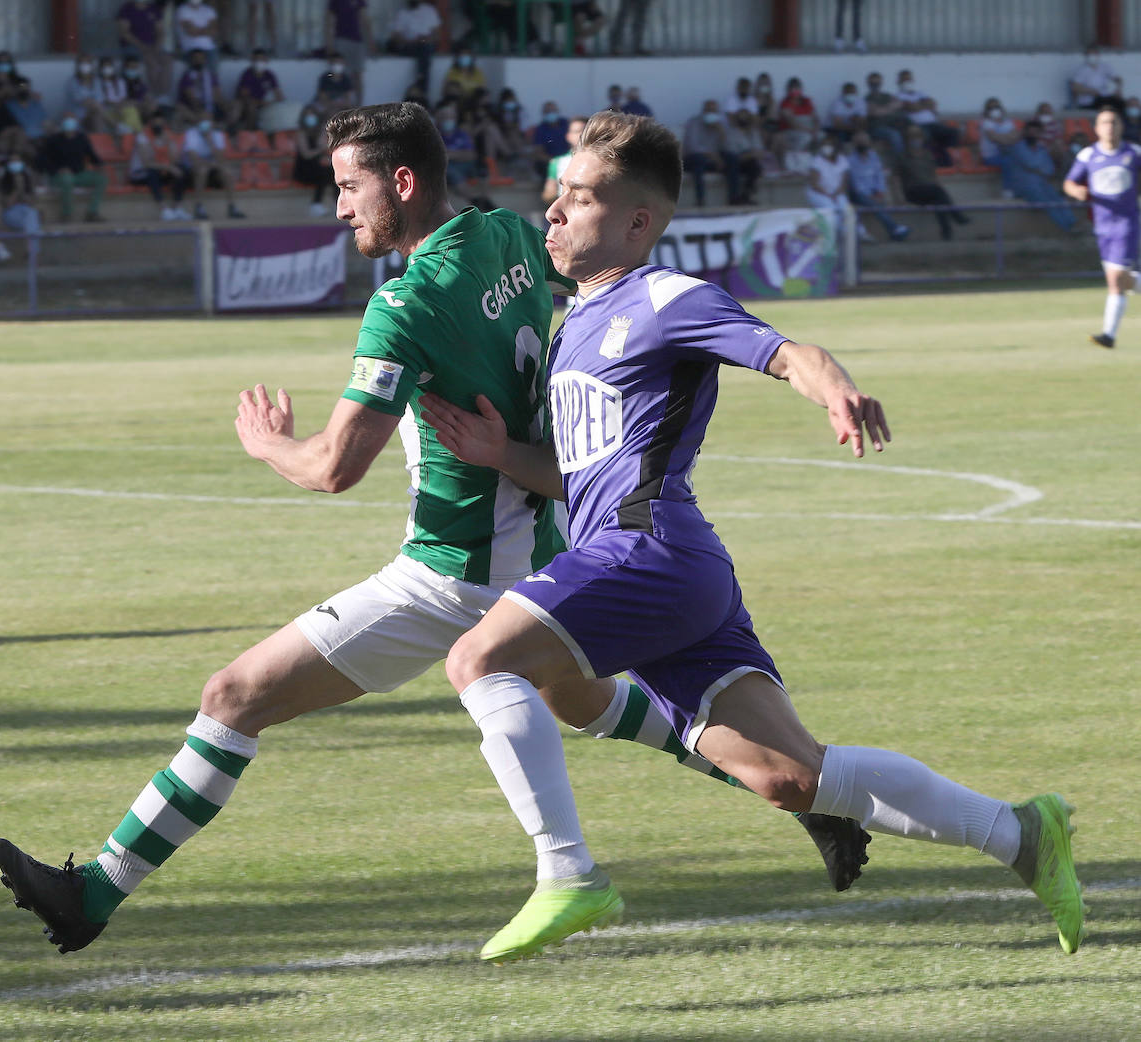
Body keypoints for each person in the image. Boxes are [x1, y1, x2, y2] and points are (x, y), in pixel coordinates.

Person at [0, 101, 870, 962]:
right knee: (585, 698)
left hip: (453, 571)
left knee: (234, 697)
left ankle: (94, 893)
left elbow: (334, 465)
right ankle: (803, 795)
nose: (338, 207)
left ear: (401, 182)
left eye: (348, 187)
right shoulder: (511, 237)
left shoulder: (405, 305)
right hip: (548, 544)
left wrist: (267, 445)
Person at [422, 109, 1086, 964]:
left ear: (636, 221)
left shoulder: (663, 296)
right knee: (790, 777)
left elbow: (786, 350)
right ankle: (1024, 834)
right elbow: (579, 474)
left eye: (577, 199)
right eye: (554, 195)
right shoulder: (573, 326)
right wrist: (501, 452)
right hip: (662, 565)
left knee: (480, 660)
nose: (551, 212)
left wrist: (836, 390)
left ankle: (568, 874)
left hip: (645, 550)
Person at [1063, 107, 1140, 349]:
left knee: (1116, 279)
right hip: (1103, 227)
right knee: (1120, 281)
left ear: (1122, 127)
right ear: (1096, 129)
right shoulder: (1088, 156)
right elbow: (1069, 182)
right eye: (1105, 123)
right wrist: (1076, 191)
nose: (1110, 127)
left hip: (1127, 224)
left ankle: (1108, 336)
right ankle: (1108, 335)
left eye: (1114, 122)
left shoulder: (1134, 153)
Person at [894, 123, 970, 240]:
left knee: (939, 199)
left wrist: (939, 188)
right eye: (912, 136)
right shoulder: (902, 156)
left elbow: (933, 175)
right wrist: (898, 198)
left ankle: (946, 231)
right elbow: (895, 178)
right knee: (938, 192)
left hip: (931, 189)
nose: (915, 139)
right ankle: (956, 216)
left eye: (918, 135)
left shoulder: (927, 154)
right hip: (913, 191)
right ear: (907, 138)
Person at [1007, 118, 1077, 232]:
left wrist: (1039, 170)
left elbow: (1050, 169)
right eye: (1030, 131)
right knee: (1047, 201)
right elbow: (1030, 163)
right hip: (1024, 187)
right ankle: (1068, 228)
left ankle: (1073, 223)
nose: (1033, 134)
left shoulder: (1041, 148)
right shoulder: (1018, 147)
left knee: (1057, 198)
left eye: (1036, 132)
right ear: (1025, 132)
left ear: (1040, 134)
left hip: (1041, 184)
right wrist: (1040, 169)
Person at [39, 113, 107, 223]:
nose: (69, 123)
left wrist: (100, 165)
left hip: (79, 174)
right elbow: (42, 160)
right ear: (62, 123)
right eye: (67, 120)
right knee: (67, 179)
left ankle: (92, 212)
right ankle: (66, 214)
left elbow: (92, 155)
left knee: (101, 179)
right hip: (59, 176)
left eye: (72, 120)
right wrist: (57, 170)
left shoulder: (82, 138)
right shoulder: (53, 140)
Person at [846, 130, 909, 240]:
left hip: (873, 192)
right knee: (873, 203)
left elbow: (879, 175)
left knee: (882, 198)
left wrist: (879, 191)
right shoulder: (850, 160)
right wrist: (871, 196)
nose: (862, 144)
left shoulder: (874, 156)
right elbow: (855, 184)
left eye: (864, 141)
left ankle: (894, 231)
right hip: (858, 194)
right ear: (854, 144)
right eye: (859, 142)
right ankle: (894, 228)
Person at [180, 115, 245, 219]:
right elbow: (194, 159)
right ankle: (198, 207)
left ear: (212, 123)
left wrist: (210, 141)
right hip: (193, 171)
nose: (205, 123)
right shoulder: (191, 134)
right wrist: (212, 164)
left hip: (213, 170)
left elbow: (221, 160)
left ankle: (232, 207)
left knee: (227, 172)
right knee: (202, 170)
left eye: (208, 120)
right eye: (202, 120)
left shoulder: (218, 135)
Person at [129, 109, 189, 220]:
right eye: (155, 124)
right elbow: (147, 163)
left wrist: (169, 142)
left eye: (161, 124)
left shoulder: (167, 135)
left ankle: (177, 208)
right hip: (139, 173)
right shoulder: (142, 137)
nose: (158, 126)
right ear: (150, 123)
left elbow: (175, 159)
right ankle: (164, 210)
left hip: (161, 170)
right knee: (152, 173)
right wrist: (169, 167)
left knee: (182, 170)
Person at [895, 69, 957, 167]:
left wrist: (918, 105)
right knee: (926, 137)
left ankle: (945, 156)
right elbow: (911, 107)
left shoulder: (920, 93)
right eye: (904, 80)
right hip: (917, 126)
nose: (907, 82)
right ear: (899, 82)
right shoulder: (898, 96)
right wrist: (923, 105)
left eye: (909, 79)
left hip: (933, 124)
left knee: (953, 132)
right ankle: (932, 161)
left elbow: (933, 104)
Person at [117, 0, 172, 103]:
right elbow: (124, 33)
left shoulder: (154, 8)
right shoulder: (126, 9)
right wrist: (142, 46)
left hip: (152, 46)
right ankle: (154, 94)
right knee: (152, 63)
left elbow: (160, 32)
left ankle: (163, 95)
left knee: (167, 60)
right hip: (132, 46)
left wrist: (157, 46)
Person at [680, 98, 731, 208]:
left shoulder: (720, 125)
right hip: (693, 159)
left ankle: (734, 198)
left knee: (732, 159)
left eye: (713, 111)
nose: (711, 114)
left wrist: (722, 133)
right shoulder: (694, 123)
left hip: (713, 161)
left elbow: (727, 147)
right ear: (703, 111)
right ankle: (700, 200)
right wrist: (712, 156)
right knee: (699, 161)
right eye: (708, 111)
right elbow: (693, 147)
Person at [325, 0, 373, 106]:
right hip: (341, 40)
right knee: (340, 74)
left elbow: (365, 20)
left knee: (358, 75)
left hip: (358, 41)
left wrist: (371, 42)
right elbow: (329, 22)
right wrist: (329, 45)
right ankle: (343, 106)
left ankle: (359, 106)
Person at [386, 0, 439, 95]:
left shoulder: (429, 11)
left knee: (425, 48)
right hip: (409, 46)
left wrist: (424, 40)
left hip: (426, 44)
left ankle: (422, 86)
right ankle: (421, 85)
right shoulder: (402, 13)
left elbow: (436, 35)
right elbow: (395, 36)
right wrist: (412, 41)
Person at [292, 102, 334, 216]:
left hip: (317, 165)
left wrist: (322, 132)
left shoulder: (319, 132)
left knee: (333, 173)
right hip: (304, 169)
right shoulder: (301, 133)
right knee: (324, 173)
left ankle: (337, 203)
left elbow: (324, 148)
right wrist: (320, 150)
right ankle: (316, 204)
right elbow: (306, 154)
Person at [0, 153, 41, 251]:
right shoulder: (4, 181)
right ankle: (33, 254)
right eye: (13, 161)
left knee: (31, 215)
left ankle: (31, 251)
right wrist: (16, 188)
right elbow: (8, 204)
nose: (15, 163)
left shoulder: (27, 180)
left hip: (26, 211)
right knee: (32, 219)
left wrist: (22, 187)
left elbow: (31, 202)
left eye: (18, 161)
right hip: (11, 213)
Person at [233, 47, 283, 132]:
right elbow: (244, 96)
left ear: (266, 60)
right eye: (257, 60)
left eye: (262, 60)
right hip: (250, 105)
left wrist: (273, 101)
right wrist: (260, 102)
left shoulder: (269, 75)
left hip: (267, 105)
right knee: (250, 106)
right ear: (252, 61)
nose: (260, 62)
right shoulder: (247, 74)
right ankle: (249, 132)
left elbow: (279, 95)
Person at [541, 113, 585, 205]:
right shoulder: (557, 162)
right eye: (577, 131)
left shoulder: (603, 159)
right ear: (568, 136)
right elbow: (548, 194)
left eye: (584, 131)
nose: (581, 135)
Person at [723, 108, 764, 206]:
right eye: (741, 116)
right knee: (733, 163)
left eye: (746, 117)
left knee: (755, 167)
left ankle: (746, 196)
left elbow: (760, 150)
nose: (744, 119)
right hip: (734, 161)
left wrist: (752, 154)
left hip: (749, 161)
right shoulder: (731, 133)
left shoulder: (754, 133)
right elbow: (731, 152)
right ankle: (734, 197)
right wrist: (750, 154)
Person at [777, 76, 818, 172]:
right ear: (788, 89)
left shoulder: (807, 101)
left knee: (822, 137)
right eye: (793, 88)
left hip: (810, 129)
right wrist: (809, 131)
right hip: (792, 131)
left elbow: (816, 118)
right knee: (806, 137)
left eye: (797, 88)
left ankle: (816, 166)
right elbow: (791, 123)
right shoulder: (785, 103)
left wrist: (815, 130)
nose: (795, 90)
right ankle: (798, 166)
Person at [178, 47, 227, 123]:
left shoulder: (211, 76)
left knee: (234, 107)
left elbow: (217, 95)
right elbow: (191, 98)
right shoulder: (187, 77)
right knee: (180, 108)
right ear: (192, 60)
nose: (198, 60)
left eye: (201, 58)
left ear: (205, 60)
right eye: (196, 58)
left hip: (211, 107)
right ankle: (204, 122)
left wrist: (223, 105)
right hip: (195, 109)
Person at [1069, 45, 1124, 111]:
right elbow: (1075, 88)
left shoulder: (1104, 67)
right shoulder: (1081, 70)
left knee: (1121, 104)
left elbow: (1117, 79)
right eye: (1089, 54)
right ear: (1085, 55)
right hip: (1088, 102)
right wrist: (1091, 91)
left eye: (1094, 54)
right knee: (1104, 107)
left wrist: (1118, 89)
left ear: (1098, 55)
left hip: (1103, 98)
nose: (1092, 56)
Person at [864, 71, 905, 156]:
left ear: (881, 83)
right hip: (876, 128)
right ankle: (901, 160)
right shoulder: (866, 99)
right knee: (894, 135)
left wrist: (882, 109)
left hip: (893, 124)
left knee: (914, 130)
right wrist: (890, 107)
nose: (875, 85)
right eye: (873, 83)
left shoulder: (887, 95)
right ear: (868, 84)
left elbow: (899, 104)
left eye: (877, 83)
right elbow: (875, 112)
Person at [6, 76, 49, 153]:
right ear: (15, 88)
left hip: (41, 138)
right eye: (21, 86)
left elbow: (45, 122)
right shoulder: (9, 106)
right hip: (22, 141)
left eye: (26, 87)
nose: (24, 89)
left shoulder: (36, 103)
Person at [175, 0, 222, 64]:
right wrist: (207, 30)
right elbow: (191, 32)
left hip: (209, 48)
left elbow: (214, 31)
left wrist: (198, 30)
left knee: (212, 68)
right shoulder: (182, 10)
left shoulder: (209, 10)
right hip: (190, 48)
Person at [65, 53, 103, 131]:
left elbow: (100, 98)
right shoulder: (72, 82)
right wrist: (90, 101)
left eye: (87, 62)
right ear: (78, 65)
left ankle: (98, 140)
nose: (85, 65)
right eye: (83, 63)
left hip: (94, 112)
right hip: (77, 115)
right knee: (97, 110)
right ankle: (115, 125)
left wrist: (91, 102)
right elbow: (78, 99)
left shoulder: (96, 81)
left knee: (96, 116)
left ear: (91, 65)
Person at [313, 52, 356, 118]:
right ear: (331, 64)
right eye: (336, 63)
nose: (338, 65)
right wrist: (332, 106)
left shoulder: (346, 79)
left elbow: (348, 99)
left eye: (340, 63)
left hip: (340, 107)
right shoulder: (326, 77)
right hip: (326, 106)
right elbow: (322, 98)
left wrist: (339, 106)